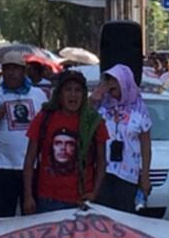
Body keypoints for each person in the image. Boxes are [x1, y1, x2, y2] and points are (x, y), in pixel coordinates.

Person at [0, 52, 48, 217]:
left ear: (24, 71)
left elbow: (47, 129)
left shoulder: (38, 95)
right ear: (2, 72)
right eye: (8, 69)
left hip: (33, 168)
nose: (12, 73)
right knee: (3, 221)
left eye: (16, 69)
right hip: (3, 169)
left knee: (31, 221)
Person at [23, 70, 108, 214]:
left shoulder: (93, 122)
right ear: (60, 94)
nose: (73, 95)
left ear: (84, 94)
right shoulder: (44, 118)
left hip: (82, 200)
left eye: (78, 90)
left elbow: (101, 161)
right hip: (48, 200)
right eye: (68, 89)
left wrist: (94, 193)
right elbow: (30, 159)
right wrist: (28, 196)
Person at [91, 64, 152, 213]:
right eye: (108, 80)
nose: (110, 85)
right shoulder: (102, 107)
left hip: (127, 176)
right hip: (103, 173)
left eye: (114, 80)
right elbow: (84, 124)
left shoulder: (140, 111)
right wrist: (94, 99)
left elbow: (146, 147)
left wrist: (145, 175)